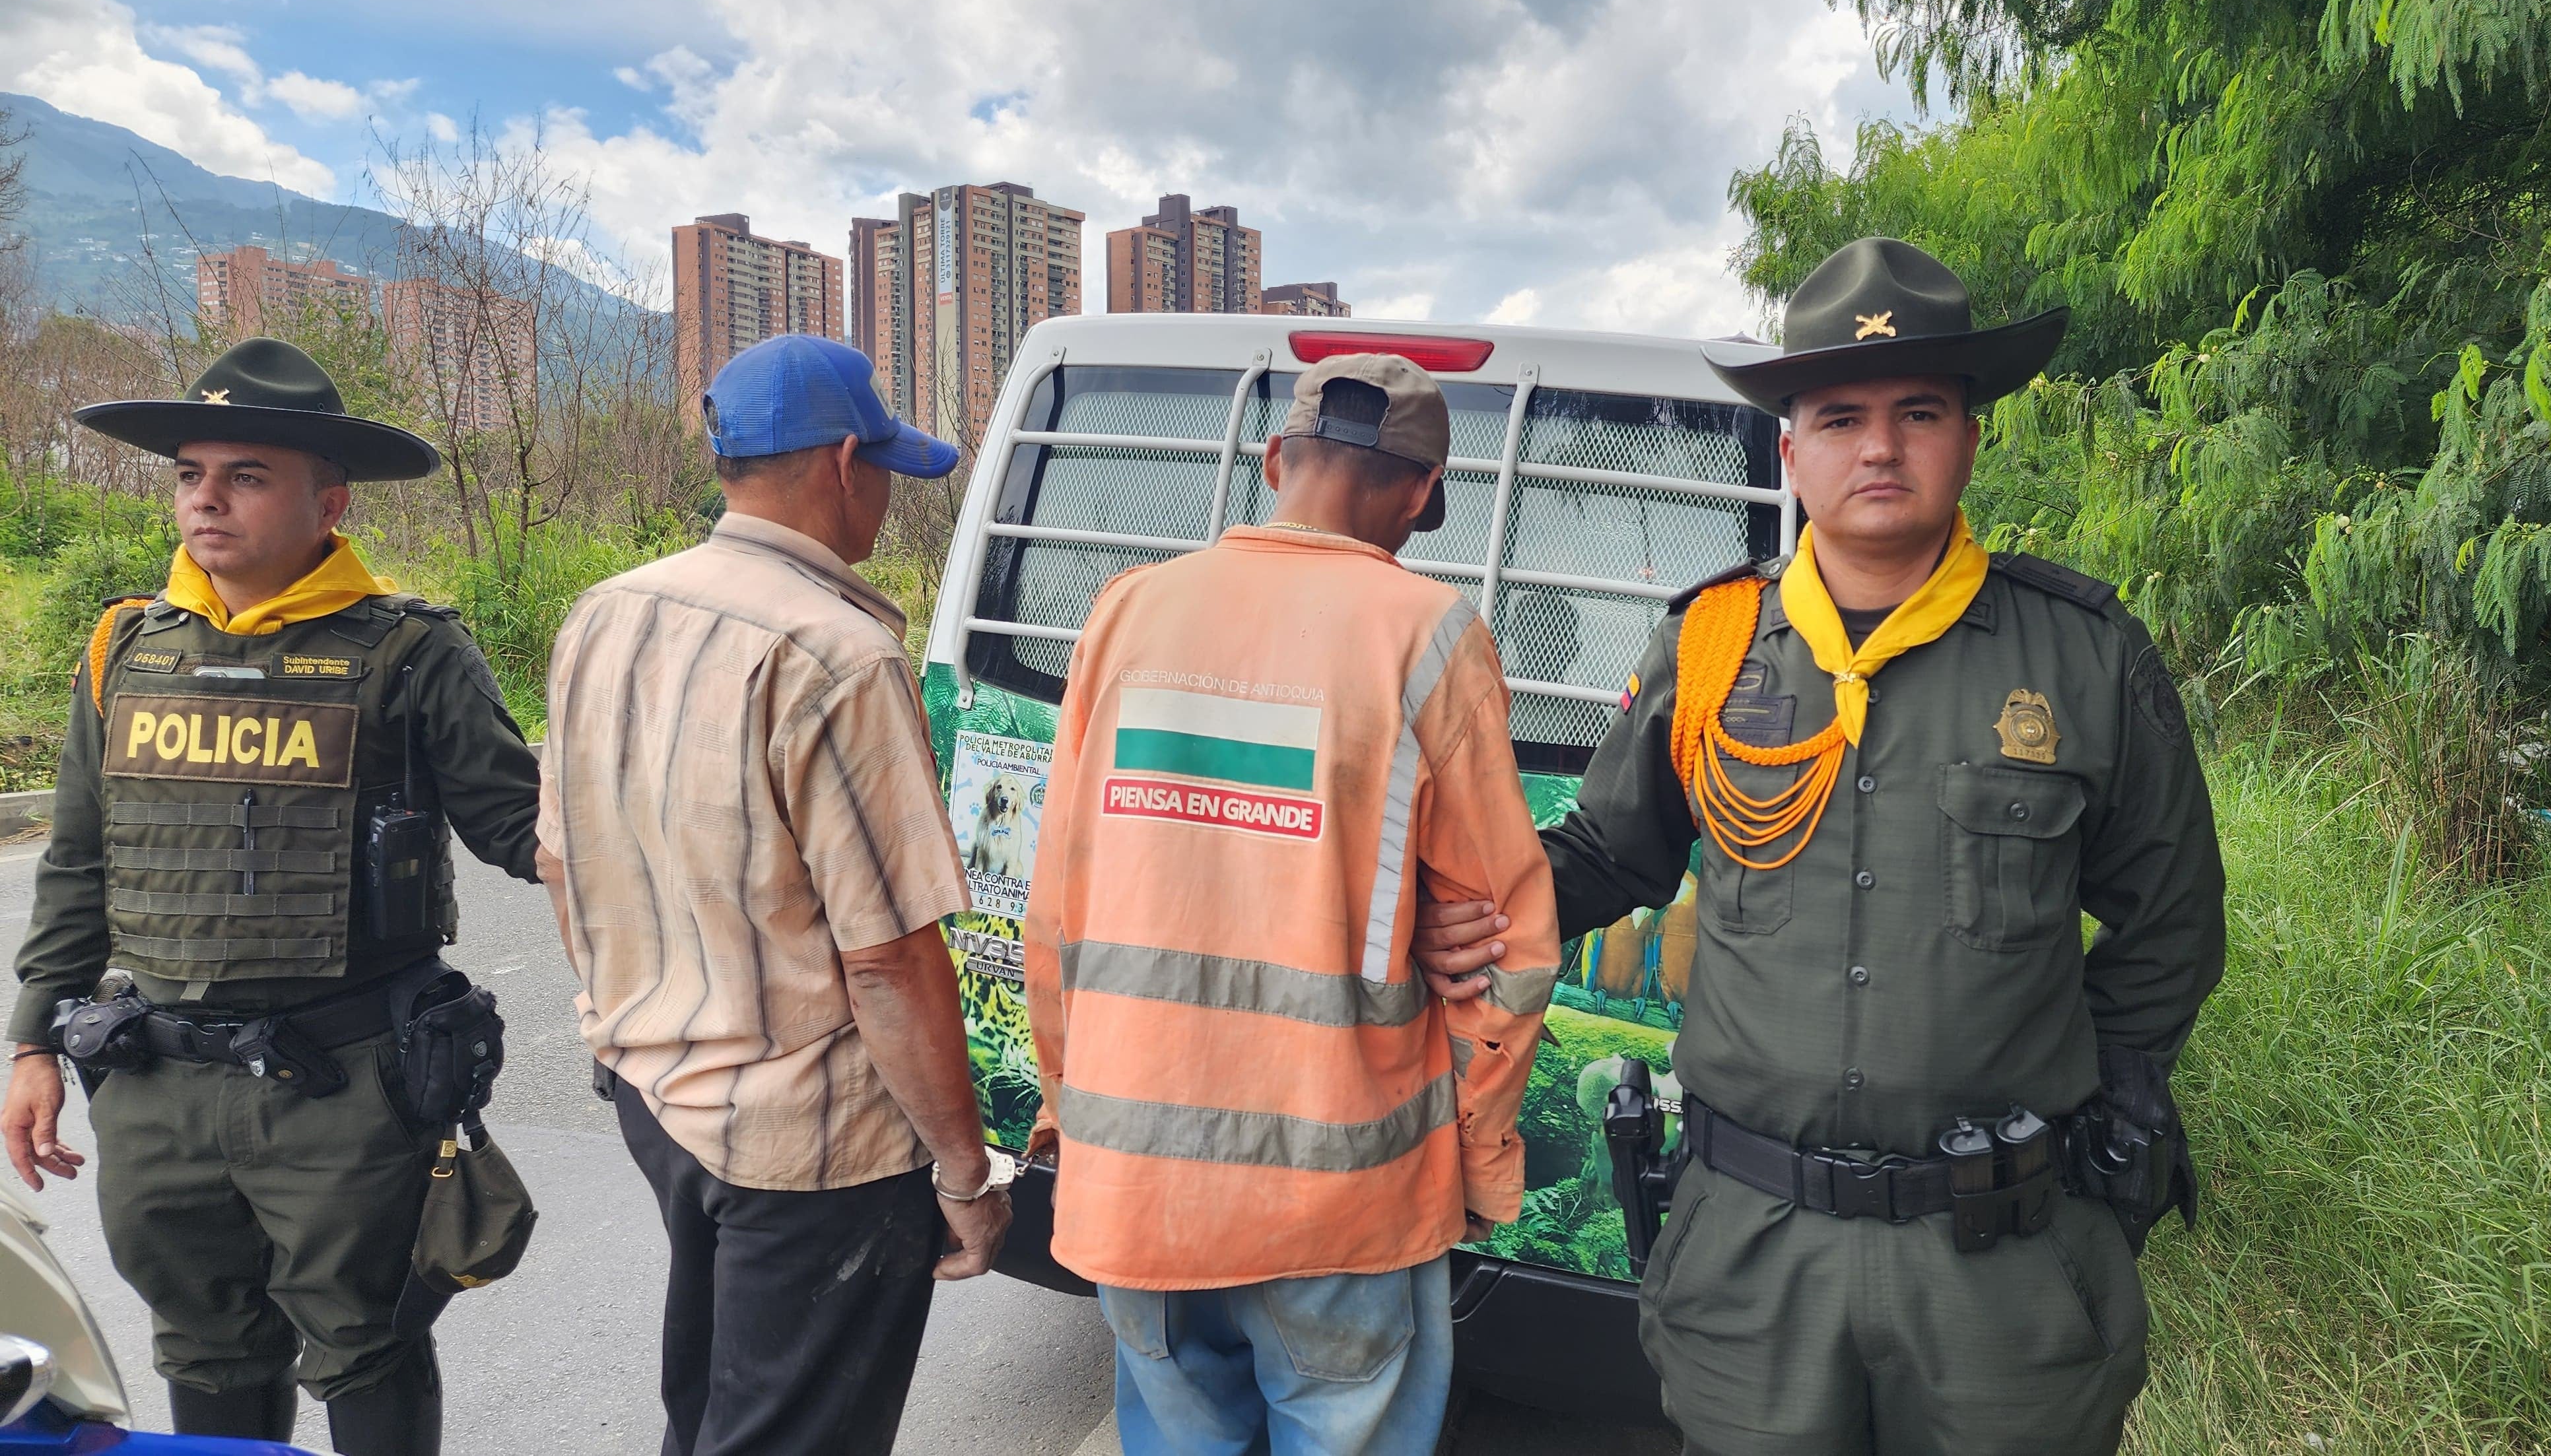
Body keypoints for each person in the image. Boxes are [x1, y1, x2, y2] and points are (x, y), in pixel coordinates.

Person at [1413, 238, 2227, 1454]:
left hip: (2002, 1268)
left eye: (1920, 411)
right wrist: (1473, 902)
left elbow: (2171, 922)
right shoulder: (1709, 649)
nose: (1881, 447)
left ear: (1970, 434)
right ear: (1791, 450)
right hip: (1754, 1258)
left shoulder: (2083, 658)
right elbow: (1607, 857)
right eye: (1840, 417)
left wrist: (2083, 1116)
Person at [2, 336, 543, 1454]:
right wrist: (30, 1046)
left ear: (327, 500)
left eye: (246, 476)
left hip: (344, 1084)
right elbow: (78, 866)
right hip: (155, 1085)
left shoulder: (410, 652)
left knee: (367, 1347)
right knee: (203, 1354)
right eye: (192, 475)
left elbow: (528, 837)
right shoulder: (123, 649)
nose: (207, 501)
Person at [1021, 355, 1560, 1456]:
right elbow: (1511, 944)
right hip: (1342, 1200)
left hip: (1136, 1187)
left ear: (1274, 461)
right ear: (1418, 495)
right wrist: (1474, 1149)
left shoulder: (1125, 613)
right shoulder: (1428, 633)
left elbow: (1058, 916)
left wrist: (1070, 1109)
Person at [535, 333, 1009, 1456]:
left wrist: (625, 1027)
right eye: (888, 469)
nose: (888, 494)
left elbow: (560, 859)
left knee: (710, 1412)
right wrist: (961, 1169)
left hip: (659, 1099)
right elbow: (888, 957)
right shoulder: (838, 654)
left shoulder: (607, 610)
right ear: (847, 463)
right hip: (815, 1152)